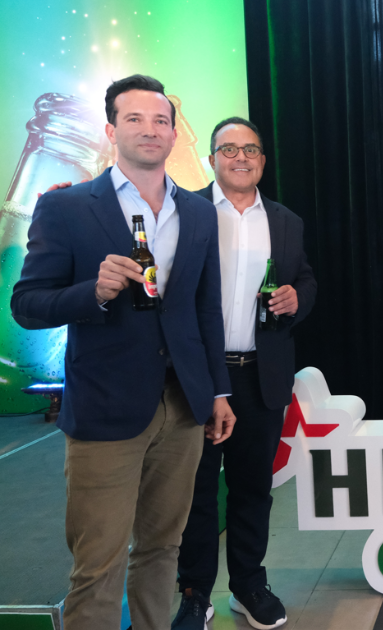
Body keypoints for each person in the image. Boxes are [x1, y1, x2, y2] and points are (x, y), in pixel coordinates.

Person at [11, 75, 235, 630]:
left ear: (173, 133)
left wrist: (218, 391)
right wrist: (93, 291)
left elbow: (205, 310)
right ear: (111, 131)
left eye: (161, 120)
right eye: (134, 119)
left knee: (162, 550)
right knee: (98, 565)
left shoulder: (198, 212)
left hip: (183, 407)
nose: (150, 130)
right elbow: (27, 305)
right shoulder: (65, 208)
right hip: (106, 409)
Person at [172, 118, 317, 630]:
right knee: (195, 491)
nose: (240, 157)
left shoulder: (286, 220)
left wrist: (297, 298)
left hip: (261, 375)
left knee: (254, 487)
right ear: (211, 158)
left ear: (262, 160)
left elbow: (305, 279)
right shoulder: (183, 211)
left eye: (250, 149)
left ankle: (248, 585)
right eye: (229, 149)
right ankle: (194, 592)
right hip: (195, 377)